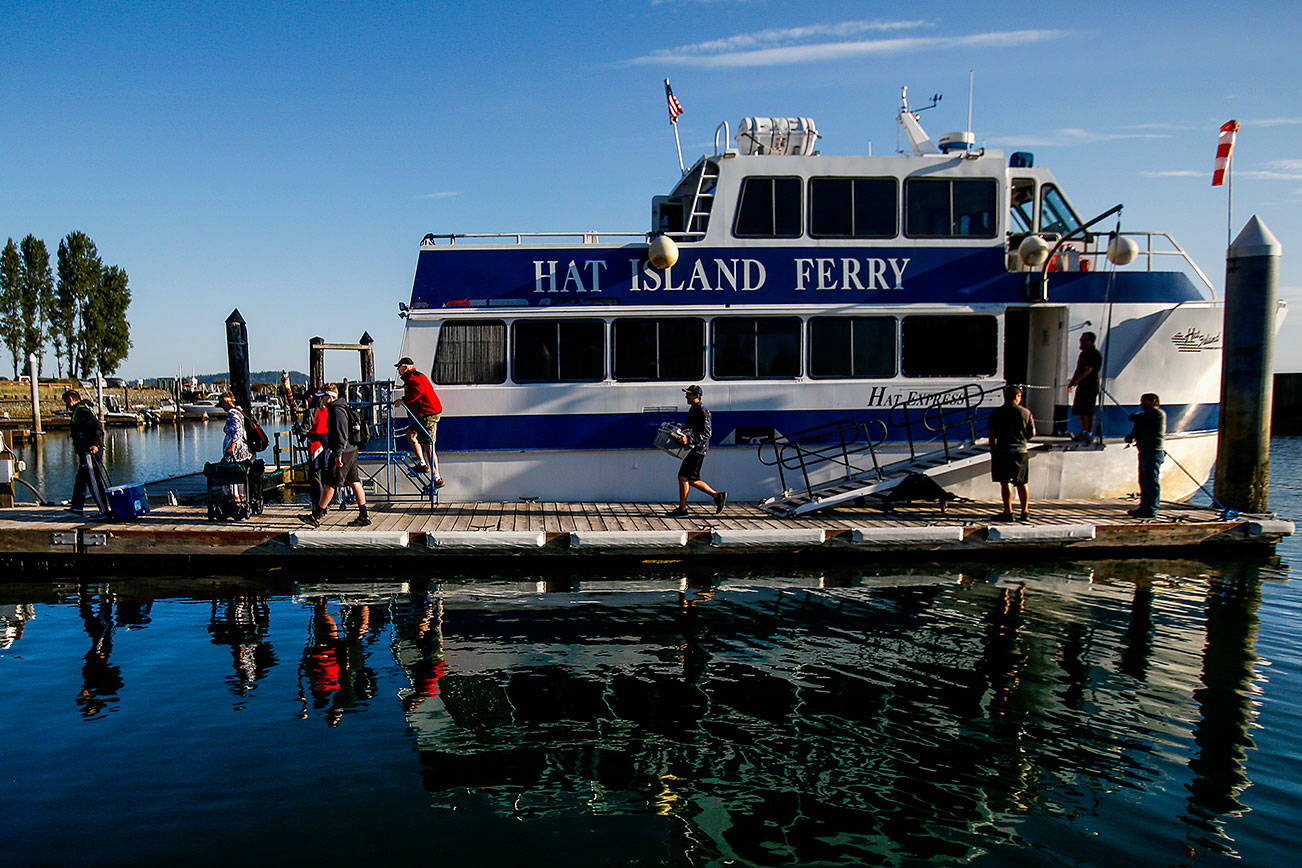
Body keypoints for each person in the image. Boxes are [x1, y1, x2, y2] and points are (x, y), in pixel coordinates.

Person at [300, 384, 371, 527]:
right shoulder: (342, 406)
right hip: (351, 450)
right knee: (354, 481)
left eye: (324, 396)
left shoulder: (336, 411)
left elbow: (341, 434)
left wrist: (338, 454)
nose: (322, 399)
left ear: (331, 397)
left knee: (330, 483)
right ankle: (364, 515)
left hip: (343, 452)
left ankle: (316, 516)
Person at [667, 384, 727, 517]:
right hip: (694, 449)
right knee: (691, 479)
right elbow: (691, 426)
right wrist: (681, 428)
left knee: (683, 477)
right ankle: (717, 496)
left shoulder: (702, 411)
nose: (686, 396)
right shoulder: (694, 409)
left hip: (698, 449)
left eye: (689, 394)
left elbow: (707, 433)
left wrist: (689, 440)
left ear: (697, 396)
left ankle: (682, 509)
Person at [393, 357, 445, 489]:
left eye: (399, 367)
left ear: (405, 367)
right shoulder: (414, 377)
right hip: (422, 415)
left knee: (429, 445)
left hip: (428, 414)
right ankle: (422, 463)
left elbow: (417, 392)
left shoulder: (413, 378)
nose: (398, 370)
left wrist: (403, 400)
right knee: (411, 435)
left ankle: (437, 478)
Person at [987, 384, 1036, 522]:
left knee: (1005, 481)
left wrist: (992, 450)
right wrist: (1023, 439)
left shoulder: (997, 413)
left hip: (1002, 451)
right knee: (1022, 482)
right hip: (1021, 451)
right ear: (1017, 396)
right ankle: (1025, 511)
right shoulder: (1026, 412)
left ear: (1005, 396)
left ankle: (1008, 511)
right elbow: (1032, 432)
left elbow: (992, 435)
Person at [64, 389, 110, 516]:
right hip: (84, 452)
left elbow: (97, 427)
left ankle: (103, 509)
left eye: (66, 401)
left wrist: (95, 444)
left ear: (71, 400)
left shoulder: (82, 411)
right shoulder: (77, 411)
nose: (66, 405)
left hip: (91, 451)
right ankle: (77, 507)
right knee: (81, 480)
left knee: (93, 480)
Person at [1124, 392, 1166, 518]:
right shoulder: (1146, 416)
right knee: (1144, 481)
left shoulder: (1157, 413)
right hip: (1145, 451)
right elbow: (1138, 425)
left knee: (1151, 481)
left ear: (1153, 401)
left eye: (1144, 401)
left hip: (1153, 452)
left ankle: (1152, 509)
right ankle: (1144, 507)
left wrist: (1134, 416)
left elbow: (1136, 417)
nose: (1141, 404)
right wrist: (1131, 436)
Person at [1066, 331, 1103, 442]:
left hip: (1090, 385)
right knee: (1079, 409)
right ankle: (1083, 431)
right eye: (1081, 340)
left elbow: (1088, 370)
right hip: (1082, 385)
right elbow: (1079, 369)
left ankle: (1089, 432)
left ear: (1091, 342)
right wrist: (1072, 381)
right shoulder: (1083, 354)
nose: (1081, 342)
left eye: (1084, 340)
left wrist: (1077, 381)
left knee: (1088, 410)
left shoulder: (1094, 354)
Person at [218, 391, 252, 463]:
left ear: (227, 402)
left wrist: (232, 447)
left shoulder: (232, 413)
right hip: (240, 447)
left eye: (222, 404)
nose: (222, 407)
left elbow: (237, 430)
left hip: (236, 450)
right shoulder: (239, 410)